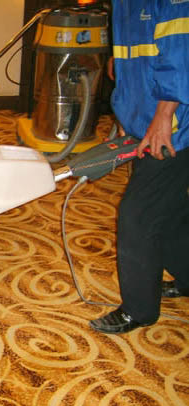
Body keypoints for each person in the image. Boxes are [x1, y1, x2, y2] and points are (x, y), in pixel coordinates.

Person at [89, 0, 189, 334]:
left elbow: (181, 55)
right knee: (169, 209)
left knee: (138, 214)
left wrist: (163, 118)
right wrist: (126, 117)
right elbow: (131, 64)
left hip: (175, 125)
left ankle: (139, 310)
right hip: (147, 118)